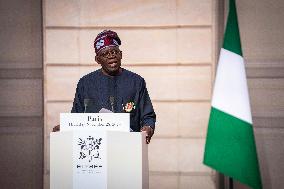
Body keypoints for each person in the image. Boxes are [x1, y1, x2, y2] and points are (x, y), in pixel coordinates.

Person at [53, 30, 156, 144]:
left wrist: (148, 127)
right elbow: (76, 117)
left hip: (128, 146)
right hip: (95, 147)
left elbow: (148, 115)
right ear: (97, 60)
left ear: (121, 54)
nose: (111, 56)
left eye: (114, 52)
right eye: (105, 54)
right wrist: (65, 129)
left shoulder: (136, 81)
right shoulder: (85, 83)